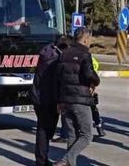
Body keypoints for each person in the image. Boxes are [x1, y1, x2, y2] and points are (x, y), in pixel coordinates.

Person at [54, 27, 100, 166]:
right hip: (80, 99)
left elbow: (57, 78)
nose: (90, 42)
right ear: (85, 39)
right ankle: (65, 160)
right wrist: (96, 81)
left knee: (72, 134)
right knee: (86, 135)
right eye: (90, 39)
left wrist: (58, 100)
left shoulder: (64, 53)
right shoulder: (85, 54)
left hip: (65, 99)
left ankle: (70, 163)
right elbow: (89, 74)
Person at [32, 35, 69, 166]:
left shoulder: (45, 53)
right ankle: (42, 160)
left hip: (38, 97)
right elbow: (56, 83)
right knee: (46, 131)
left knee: (42, 129)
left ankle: (41, 159)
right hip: (50, 100)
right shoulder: (56, 60)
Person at [90, 55, 105, 138]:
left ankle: (98, 124)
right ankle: (98, 124)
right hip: (91, 87)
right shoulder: (92, 59)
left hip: (83, 88)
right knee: (93, 108)